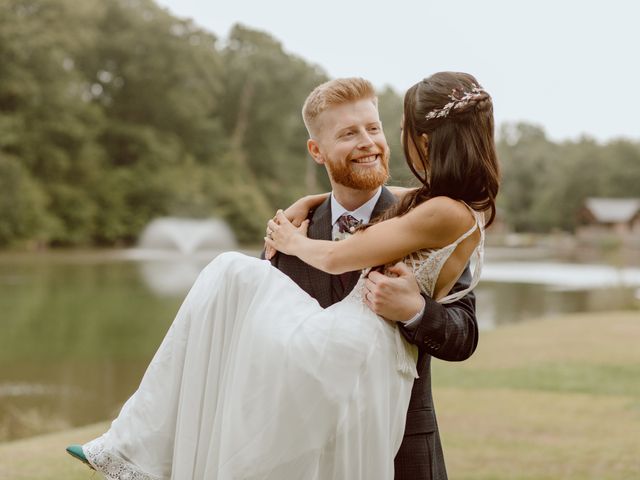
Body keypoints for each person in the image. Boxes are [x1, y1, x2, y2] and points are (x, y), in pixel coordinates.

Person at [66, 72, 499, 480]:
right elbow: (246, 345)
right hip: (295, 437)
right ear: (317, 151)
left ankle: (133, 444)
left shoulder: (426, 214)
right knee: (232, 279)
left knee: (229, 271)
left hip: (398, 434)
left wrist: (415, 311)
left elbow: (464, 335)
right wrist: (311, 204)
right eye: (349, 133)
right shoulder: (333, 220)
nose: (369, 142)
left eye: (375, 128)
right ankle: (139, 442)